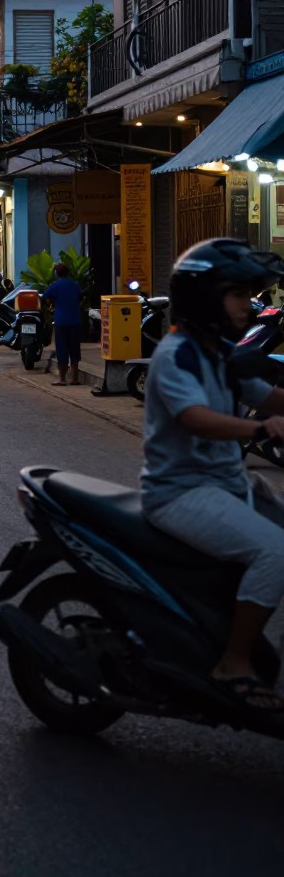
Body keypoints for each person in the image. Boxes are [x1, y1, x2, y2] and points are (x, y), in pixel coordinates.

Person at [142, 238, 284, 712]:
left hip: (227, 485)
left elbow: (266, 395)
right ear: (207, 298)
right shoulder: (176, 354)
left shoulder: (221, 352)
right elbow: (193, 417)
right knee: (275, 553)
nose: (250, 305)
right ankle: (234, 664)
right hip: (180, 492)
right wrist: (259, 427)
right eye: (239, 295)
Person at [42, 263, 84, 387]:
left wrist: (53, 304)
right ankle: (75, 378)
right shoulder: (75, 285)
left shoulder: (55, 286)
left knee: (62, 350)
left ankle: (62, 379)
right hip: (75, 320)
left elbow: (45, 298)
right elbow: (80, 300)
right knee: (75, 350)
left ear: (56, 274)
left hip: (61, 321)